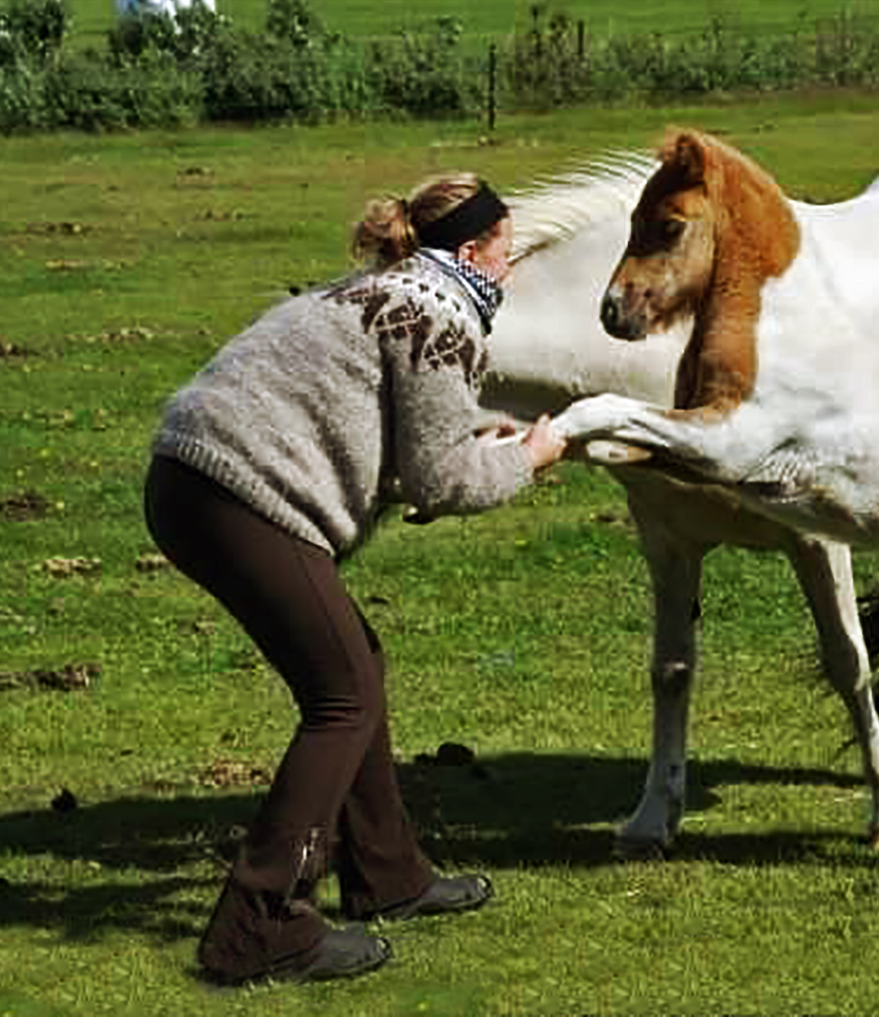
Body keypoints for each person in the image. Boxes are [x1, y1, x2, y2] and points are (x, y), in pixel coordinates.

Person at [144, 173, 566, 986]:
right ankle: (260, 927)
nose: (509, 272)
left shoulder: (383, 289)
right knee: (342, 698)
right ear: (473, 251)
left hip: (194, 479)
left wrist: (481, 437)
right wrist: (529, 457)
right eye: (507, 254)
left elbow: (402, 430)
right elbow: (441, 481)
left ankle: (389, 875)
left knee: (355, 669)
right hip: (242, 499)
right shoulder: (440, 318)